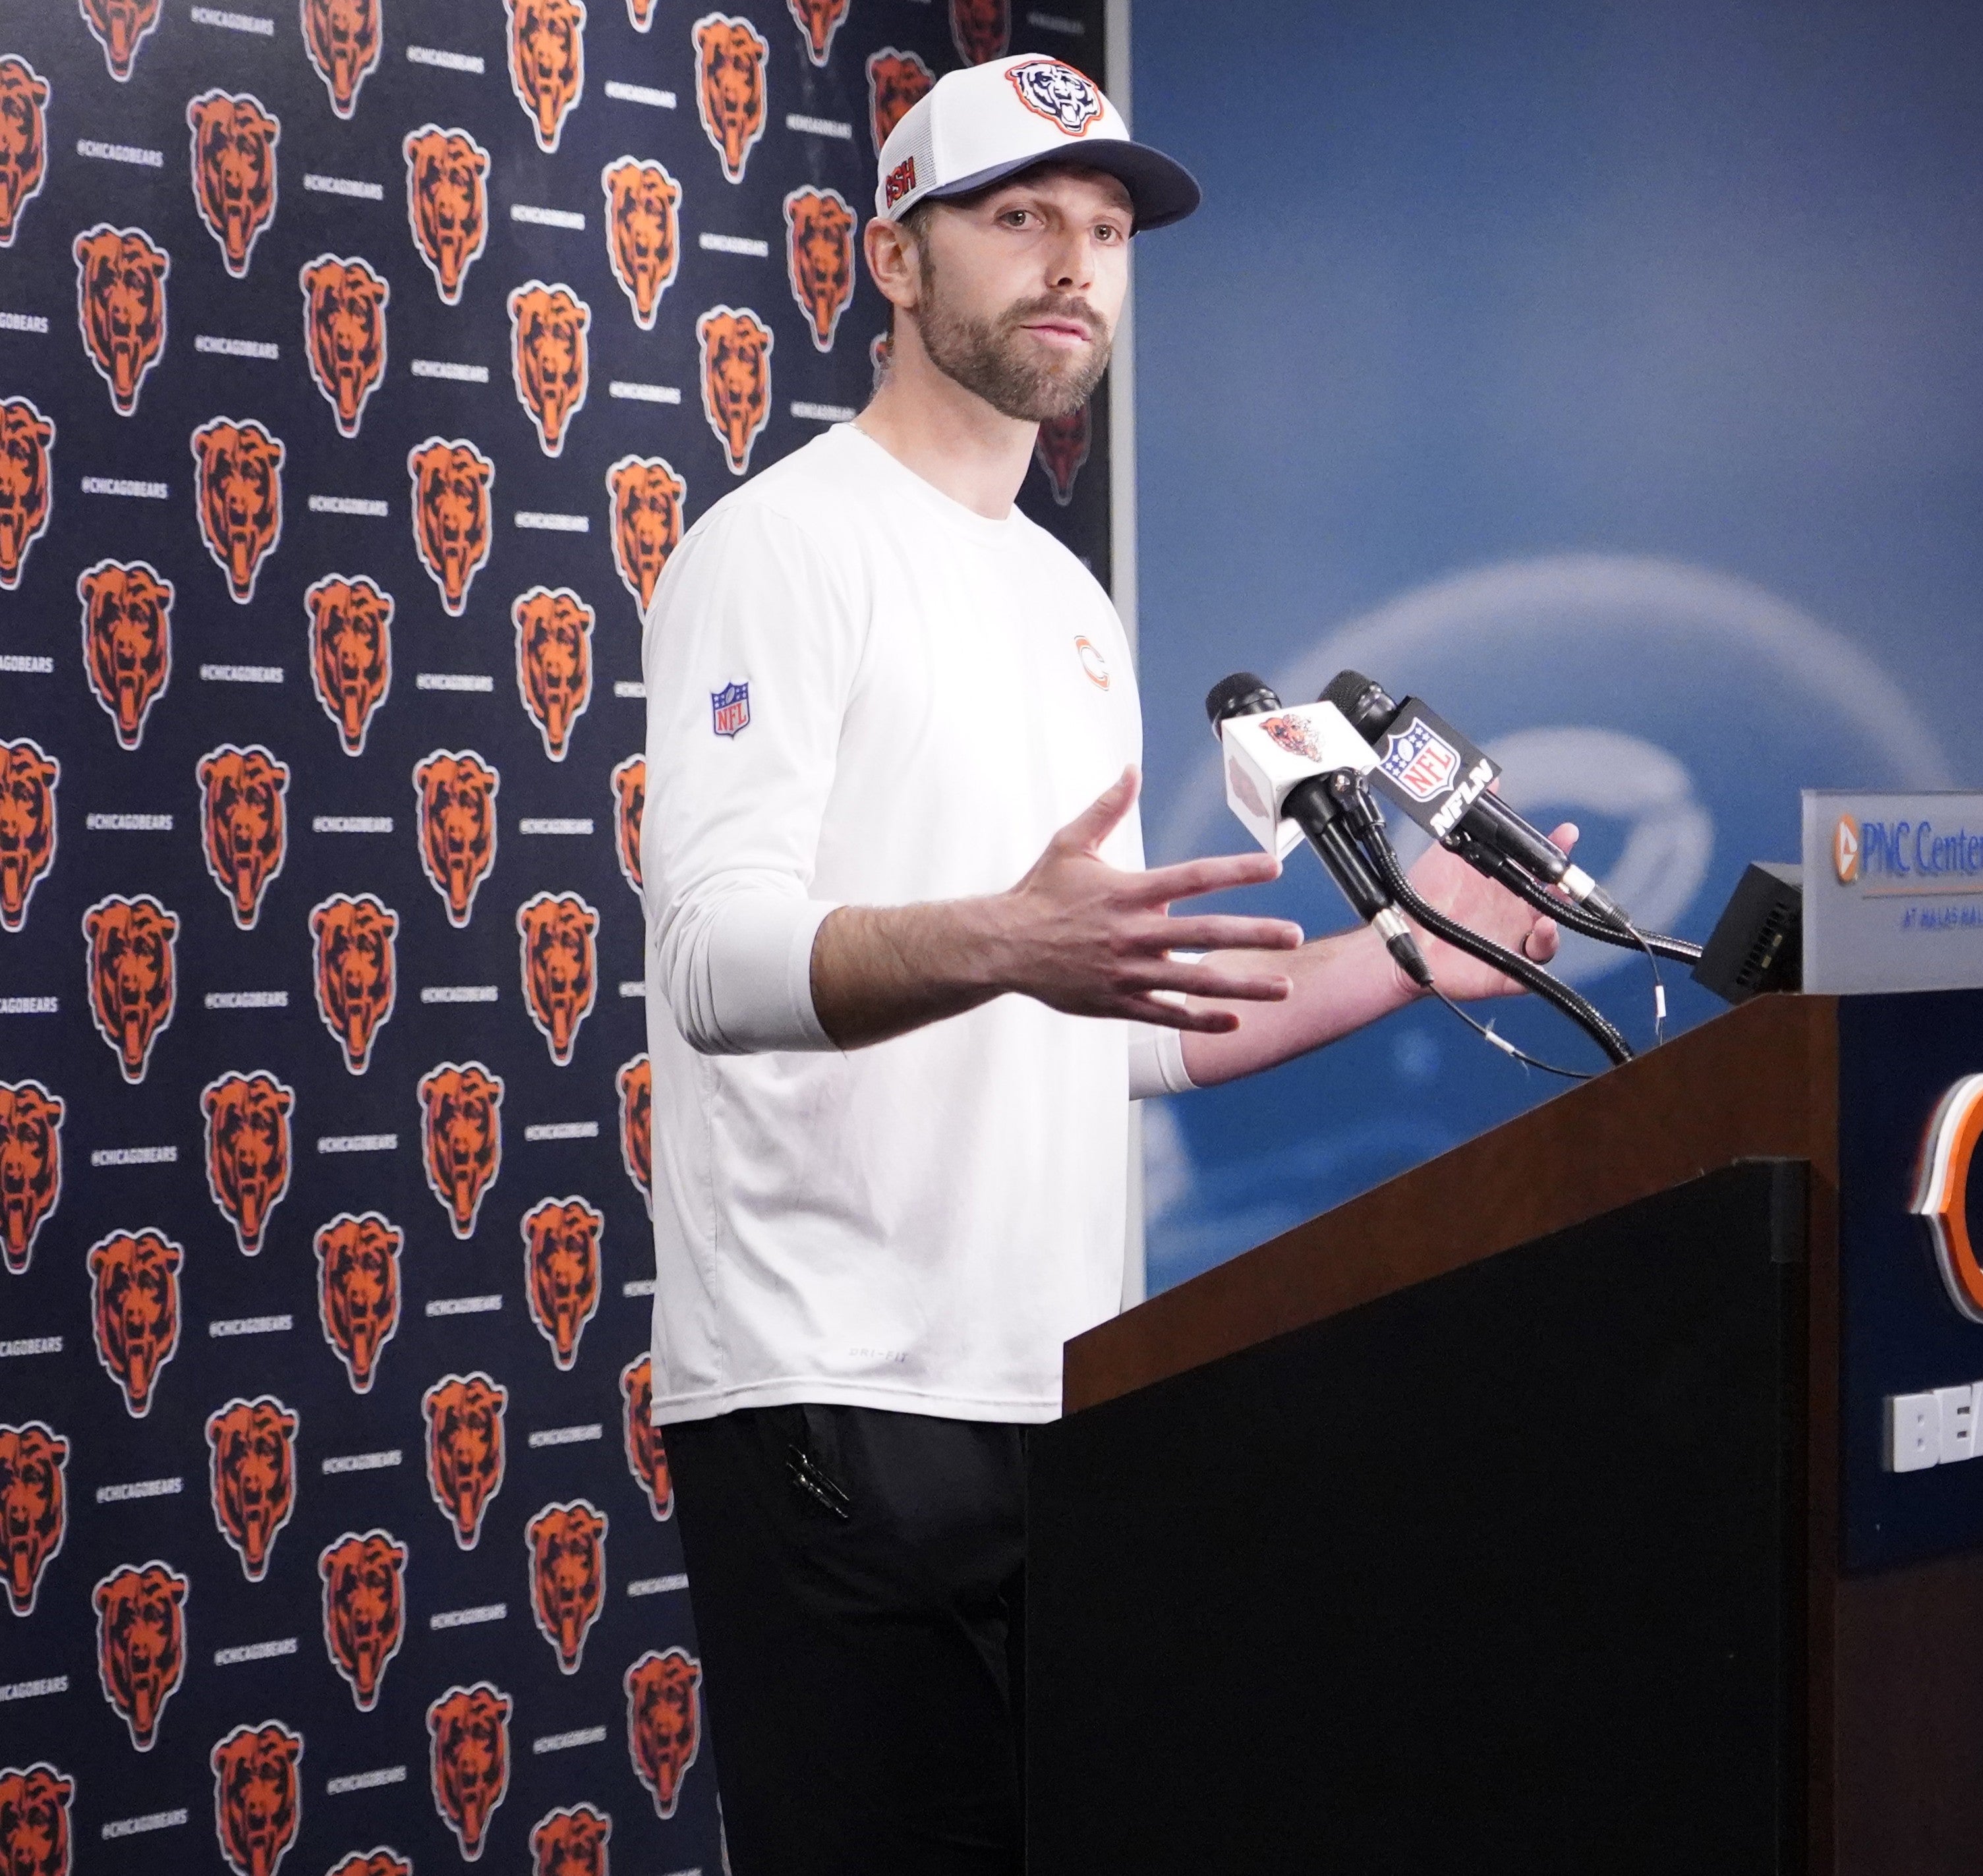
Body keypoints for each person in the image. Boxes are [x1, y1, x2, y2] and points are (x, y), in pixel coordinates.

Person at [641, 55, 1575, 1875]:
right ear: (894, 262)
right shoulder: (779, 549)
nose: (1073, 265)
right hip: (838, 1398)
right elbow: (709, 965)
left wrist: (1405, 952)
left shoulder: (1063, 600)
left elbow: (1119, 1030)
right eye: (1017, 221)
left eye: (1103, 230)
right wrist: (1003, 935)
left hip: (1065, 1393)